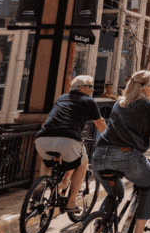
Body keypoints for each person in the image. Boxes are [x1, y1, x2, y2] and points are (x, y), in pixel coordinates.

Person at [91, 70, 150, 233]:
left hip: (99, 156)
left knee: (115, 194)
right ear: (145, 88)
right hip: (126, 156)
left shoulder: (118, 104)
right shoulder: (149, 106)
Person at [34, 75, 107, 214]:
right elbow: (100, 123)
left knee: (47, 161)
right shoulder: (89, 101)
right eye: (90, 86)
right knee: (83, 163)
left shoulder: (61, 98)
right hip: (68, 139)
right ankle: (71, 202)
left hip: (42, 138)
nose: (92, 90)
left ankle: (40, 188)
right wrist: (109, 140)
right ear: (81, 87)